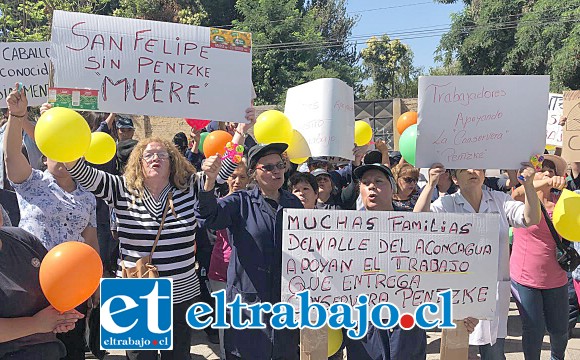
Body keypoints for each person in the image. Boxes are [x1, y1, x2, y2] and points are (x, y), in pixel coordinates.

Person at [65, 109, 255, 360]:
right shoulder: (120, 189)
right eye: (148, 155)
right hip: (135, 295)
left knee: (176, 356)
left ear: (173, 160)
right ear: (138, 162)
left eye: (162, 154)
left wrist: (241, 133)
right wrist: (63, 140)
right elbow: (82, 173)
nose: (155, 158)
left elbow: (224, 169)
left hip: (180, 294)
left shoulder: (190, 187)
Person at [343, 161, 478, 359]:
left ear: (392, 188)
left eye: (378, 181)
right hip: (365, 324)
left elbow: (445, 266)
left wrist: (463, 308)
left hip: (408, 321)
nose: (371, 186)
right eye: (365, 182)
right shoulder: (344, 231)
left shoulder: (415, 225)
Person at [5, 85, 98, 360]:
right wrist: (16, 117)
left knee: (71, 348)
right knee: (35, 346)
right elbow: (11, 156)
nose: (63, 157)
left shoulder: (88, 196)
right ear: (45, 157)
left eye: (70, 152)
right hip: (30, 284)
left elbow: (90, 240)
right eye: (56, 150)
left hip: (74, 284)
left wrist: (95, 282)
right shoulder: (32, 183)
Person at [414, 164, 541, 359]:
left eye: (478, 169)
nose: (473, 172)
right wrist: (431, 184)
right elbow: (418, 222)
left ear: (484, 175)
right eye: (465, 169)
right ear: (455, 178)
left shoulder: (500, 201)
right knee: (455, 351)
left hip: (494, 290)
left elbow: (530, 218)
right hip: (458, 291)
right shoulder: (447, 204)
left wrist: (530, 186)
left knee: (494, 352)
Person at [196, 143, 304, 360]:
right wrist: (208, 183)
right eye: (268, 167)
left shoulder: (293, 204)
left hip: (284, 306)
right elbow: (209, 216)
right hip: (248, 307)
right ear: (254, 172)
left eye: (280, 165)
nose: (276, 171)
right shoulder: (240, 202)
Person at [510, 154, 569, 360]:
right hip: (526, 278)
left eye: (551, 171)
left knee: (560, 330)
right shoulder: (522, 199)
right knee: (533, 330)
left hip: (557, 277)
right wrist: (541, 180)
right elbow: (517, 192)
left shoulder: (562, 201)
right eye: (541, 170)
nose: (546, 174)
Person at [0, 227, 84, 360]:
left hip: (50, 352)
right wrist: (36, 324)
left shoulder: (22, 238)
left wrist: (62, 317)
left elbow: (53, 285)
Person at [207, 159, 251, 360]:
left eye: (242, 177)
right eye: (233, 176)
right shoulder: (218, 205)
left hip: (247, 273)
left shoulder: (254, 204)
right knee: (226, 323)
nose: (237, 181)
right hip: (221, 271)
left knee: (248, 321)